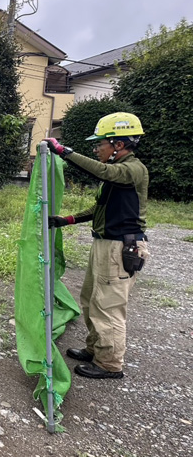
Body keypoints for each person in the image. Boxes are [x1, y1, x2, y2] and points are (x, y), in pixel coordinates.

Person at [44, 112, 149, 380]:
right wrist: (66, 220)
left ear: (118, 144)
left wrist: (65, 152)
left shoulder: (132, 169)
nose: (96, 149)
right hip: (105, 244)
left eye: (99, 143)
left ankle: (109, 364)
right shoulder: (116, 173)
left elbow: (104, 171)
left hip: (120, 247)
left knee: (108, 306)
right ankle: (95, 349)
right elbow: (98, 207)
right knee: (91, 300)